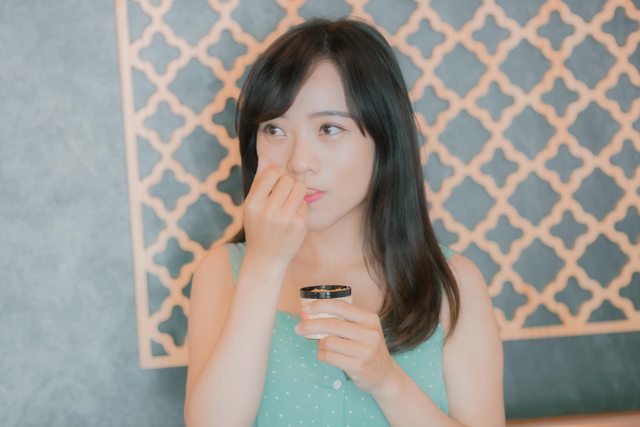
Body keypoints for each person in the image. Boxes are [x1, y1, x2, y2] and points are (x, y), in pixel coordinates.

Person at [184, 17, 504, 427]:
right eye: (274, 129)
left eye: (329, 128)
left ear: (384, 139)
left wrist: (387, 382)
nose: (299, 162)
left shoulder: (454, 285)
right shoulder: (222, 273)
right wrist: (264, 266)